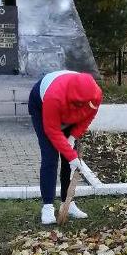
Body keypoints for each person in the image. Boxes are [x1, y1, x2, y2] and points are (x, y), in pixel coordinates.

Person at [27, 70, 102, 225]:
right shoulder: (54, 97)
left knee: (69, 160)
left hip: (67, 112)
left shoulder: (95, 94)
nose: (82, 105)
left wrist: (72, 137)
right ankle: (47, 207)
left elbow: (88, 117)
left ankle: (67, 203)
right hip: (42, 108)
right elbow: (52, 131)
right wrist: (71, 154)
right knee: (50, 156)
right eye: (78, 103)